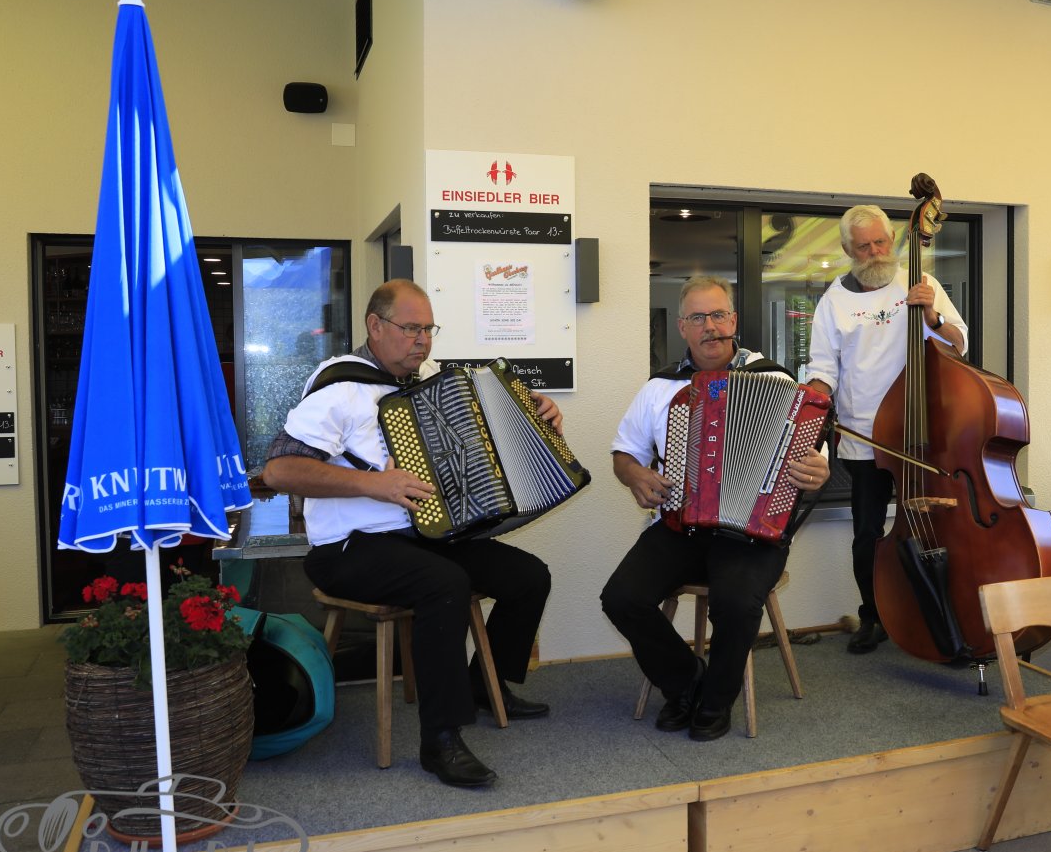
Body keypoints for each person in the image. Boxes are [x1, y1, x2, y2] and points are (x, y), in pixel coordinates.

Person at [260, 279, 560, 789]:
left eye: (428, 329)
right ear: (375, 327)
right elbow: (279, 471)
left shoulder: (435, 380)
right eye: (410, 328)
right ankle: (440, 739)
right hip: (347, 548)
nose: (422, 340)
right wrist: (373, 485)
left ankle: (483, 685)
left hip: (425, 535)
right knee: (445, 584)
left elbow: (479, 439)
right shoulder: (339, 387)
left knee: (528, 575)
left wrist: (537, 414)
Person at [602, 276, 830, 742]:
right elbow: (624, 455)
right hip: (680, 524)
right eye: (698, 318)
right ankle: (686, 682)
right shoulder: (660, 388)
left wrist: (817, 471)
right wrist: (636, 476)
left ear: (734, 321)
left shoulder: (775, 381)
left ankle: (715, 701)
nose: (711, 326)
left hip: (754, 531)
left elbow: (813, 458)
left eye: (719, 315)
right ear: (682, 327)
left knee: (735, 601)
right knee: (621, 597)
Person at [803, 203, 968, 654]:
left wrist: (932, 318)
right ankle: (873, 615)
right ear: (846, 250)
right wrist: (808, 407)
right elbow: (823, 369)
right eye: (863, 246)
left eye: (880, 242)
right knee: (867, 535)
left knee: (936, 526)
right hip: (866, 438)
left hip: (924, 433)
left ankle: (942, 611)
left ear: (892, 240)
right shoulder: (833, 301)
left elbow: (960, 345)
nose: (875, 252)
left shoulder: (921, 284)